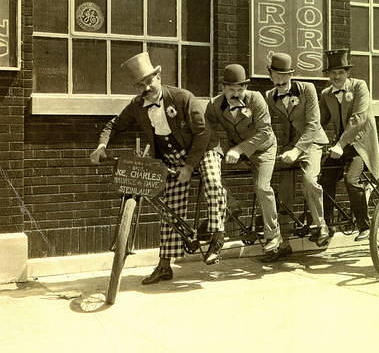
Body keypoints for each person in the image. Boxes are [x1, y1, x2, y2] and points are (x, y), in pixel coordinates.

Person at [89, 52, 226, 284]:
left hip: (202, 151)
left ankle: (217, 236)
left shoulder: (183, 98)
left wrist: (190, 165)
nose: (146, 87)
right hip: (171, 158)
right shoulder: (137, 106)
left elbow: (203, 133)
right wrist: (101, 145)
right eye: (141, 85)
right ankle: (164, 266)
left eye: (149, 81)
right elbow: (114, 125)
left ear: (159, 76)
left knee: (213, 182)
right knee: (170, 210)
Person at [204, 64, 283, 258]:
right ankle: (231, 206)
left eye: (241, 89)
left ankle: (273, 235)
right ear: (223, 88)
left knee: (262, 187)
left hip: (264, 149)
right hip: (235, 149)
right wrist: (220, 151)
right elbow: (208, 132)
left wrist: (239, 150)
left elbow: (265, 132)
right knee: (211, 174)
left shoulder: (256, 99)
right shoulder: (214, 105)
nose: (237, 94)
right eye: (232, 89)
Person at [265, 52, 330, 259]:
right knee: (283, 192)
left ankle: (321, 226)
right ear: (271, 75)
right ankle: (284, 242)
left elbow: (313, 124)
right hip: (288, 146)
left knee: (309, 180)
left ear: (291, 74)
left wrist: (297, 150)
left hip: (312, 143)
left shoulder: (307, 89)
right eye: (277, 75)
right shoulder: (269, 96)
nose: (281, 80)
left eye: (285, 75)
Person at [318, 49, 379, 241]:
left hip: (361, 144)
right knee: (324, 180)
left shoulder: (359, 87)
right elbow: (320, 120)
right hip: (340, 145)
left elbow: (359, 119)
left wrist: (340, 144)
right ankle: (326, 227)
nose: (337, 76)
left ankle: (365, 226)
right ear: (328, 75)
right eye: (333, 73)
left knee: (351, 179)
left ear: (347, 73)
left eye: (341, 72)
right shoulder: (326, 94)